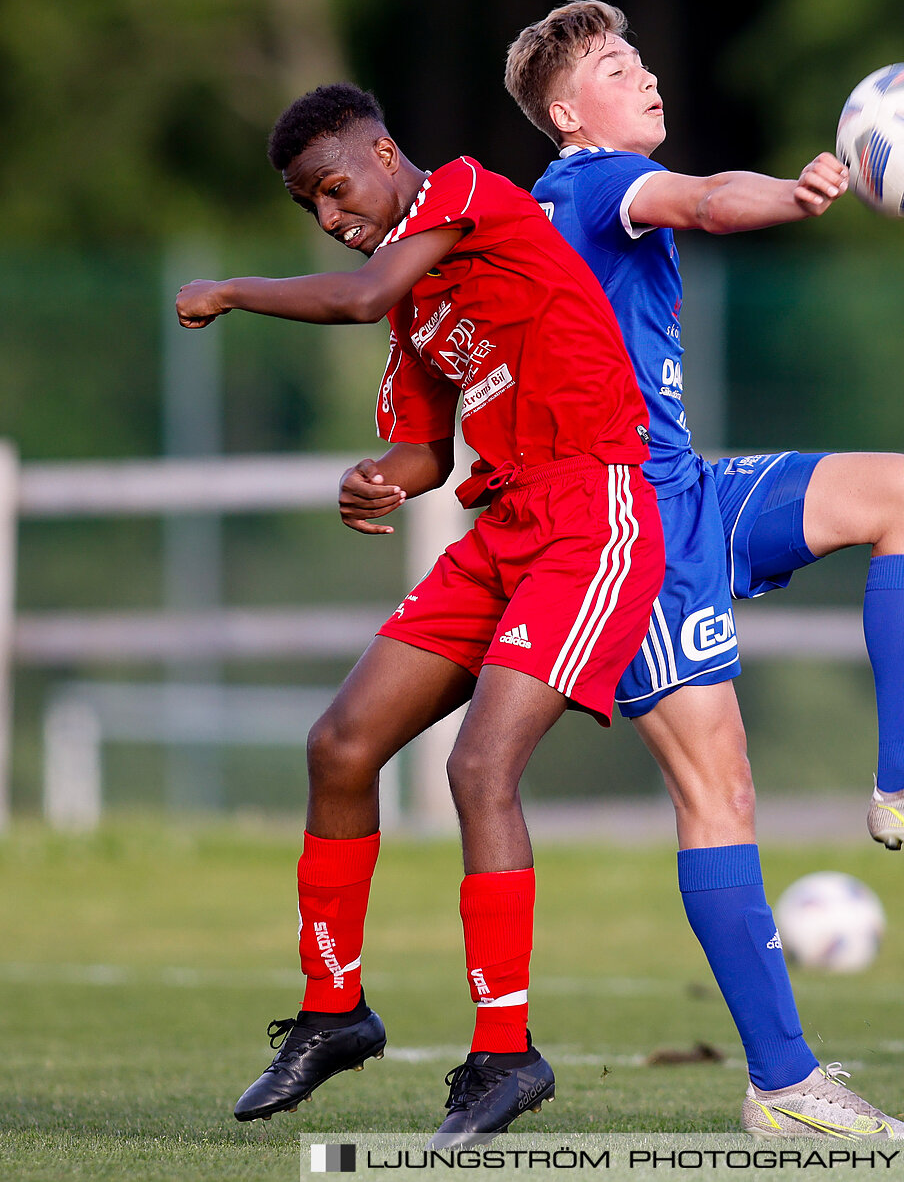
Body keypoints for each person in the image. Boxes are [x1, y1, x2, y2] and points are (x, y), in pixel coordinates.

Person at [500, 0, 904, 1136]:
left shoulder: (596, 194)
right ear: (566, 111)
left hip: (688, 485)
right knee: (720, 791)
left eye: (642, 53)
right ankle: (786, 1086)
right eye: (614, 64)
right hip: (633, 532)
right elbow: (699, 199)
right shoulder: (588, 184)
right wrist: (790, 198)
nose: (644, 73)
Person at [174, 83, 665, 1144]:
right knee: (341, 745)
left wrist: (232, 288)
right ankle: (334, 1012)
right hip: (501, 528)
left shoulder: (466, 192)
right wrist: (377, 481)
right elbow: (427, 452)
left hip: (592, 511)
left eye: (334, 186)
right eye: (308, 202)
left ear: (387, 154)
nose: (328, 214)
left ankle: (506, 1054)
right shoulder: (415, 301)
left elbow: (355, 295)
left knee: (477, 770)